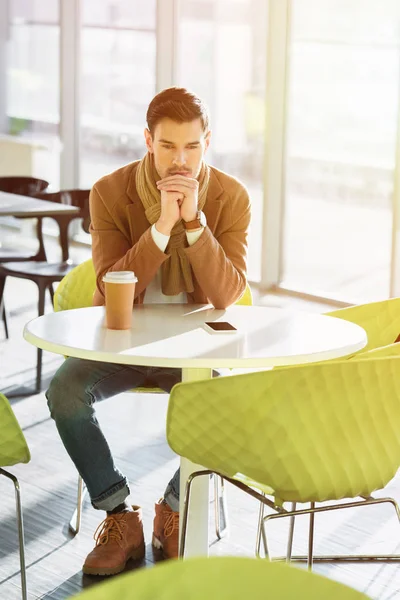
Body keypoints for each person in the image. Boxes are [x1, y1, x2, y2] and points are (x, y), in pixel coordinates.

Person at [46, 87, 251, 576]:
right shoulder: (109, 192)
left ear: (207, 142)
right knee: (64, 393)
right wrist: (160, 227)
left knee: (234, 407)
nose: (180, 161)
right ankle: (120, 517)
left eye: (192, 147)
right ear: (147, 140)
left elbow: (227, 295)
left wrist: (195, 224)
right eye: (167, 147)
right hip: (122, 341)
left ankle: (175, 510)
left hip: (192, 350)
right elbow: (108, 286)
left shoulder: (231, 197)